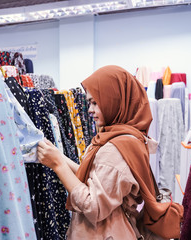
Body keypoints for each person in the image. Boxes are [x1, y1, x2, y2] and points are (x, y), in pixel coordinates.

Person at [37, 65, 182, 239]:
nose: (90, 110)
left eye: (95, 102)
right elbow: (94, 177)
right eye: (89, 102)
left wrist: (58, 164)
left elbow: (93, 206)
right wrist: (59, 157)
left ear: (114, 100)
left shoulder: (116, 148)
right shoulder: (122, 137)